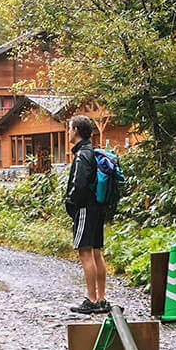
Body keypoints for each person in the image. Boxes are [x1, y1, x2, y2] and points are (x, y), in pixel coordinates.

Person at [64, 115, 108, 314]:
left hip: (85, 208)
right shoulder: (92, 151)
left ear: (76, 131)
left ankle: (91, 299)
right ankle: (100, 299)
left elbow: (79, 184)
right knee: (96, 251)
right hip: (97, 207)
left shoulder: (82, 154)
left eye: (69, 128)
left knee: (85, 251)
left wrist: (70, 202)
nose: (68, 132)